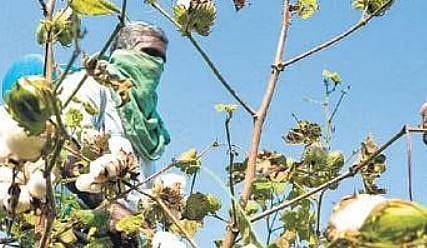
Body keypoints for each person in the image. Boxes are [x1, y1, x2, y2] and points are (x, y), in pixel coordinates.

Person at [1, 21, 171, 210]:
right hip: (77, 225)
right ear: (122, 53)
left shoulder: (152, 128)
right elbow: (63, 152)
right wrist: (114, 213)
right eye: (150, 53)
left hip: (125, 235)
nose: (158, 64)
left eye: (162, 59)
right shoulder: (89, 86)